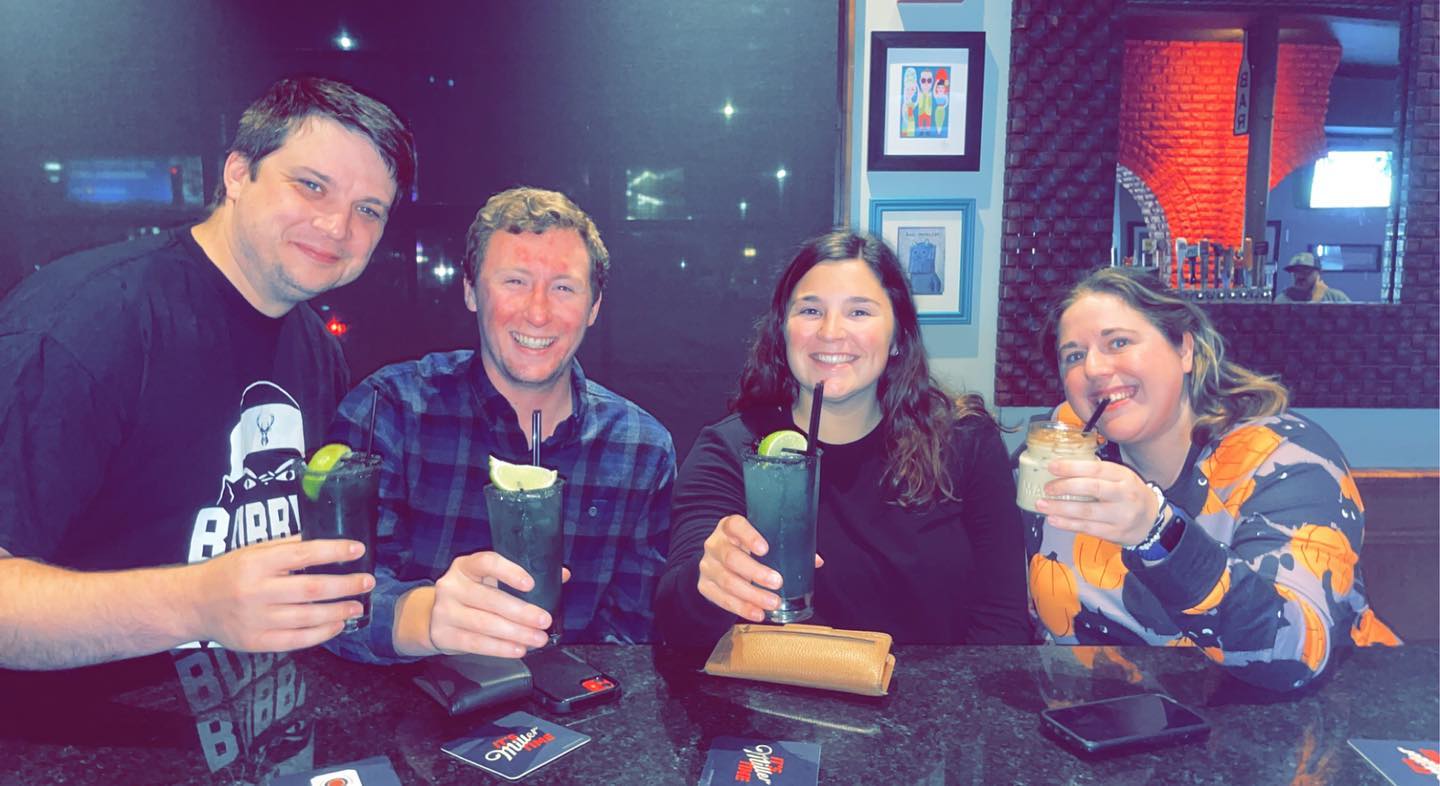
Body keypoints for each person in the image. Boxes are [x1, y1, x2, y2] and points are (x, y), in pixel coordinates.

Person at [0, 77, 417, 670]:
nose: (337, 226)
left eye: (368, 210)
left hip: (267, 714)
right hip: (90, 725)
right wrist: (195, 604)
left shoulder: (317, 349)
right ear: (238, 174)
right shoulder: (89, 319)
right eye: (311, 186)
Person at [323, 187, 675, 664]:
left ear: (593, 307)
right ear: (471, 291)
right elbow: (335, 599)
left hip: (576, 703)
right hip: (412, 701)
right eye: (514, 281)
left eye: (564, 288)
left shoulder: (641, 449)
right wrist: (424, 617)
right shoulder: (389, 409)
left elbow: (634, 638)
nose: (538, 312)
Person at [654, 231, 1031, 649]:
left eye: (859, 312)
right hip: (781, 687)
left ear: (898, 336)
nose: (831, 332)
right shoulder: (731, 452)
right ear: (782, 331)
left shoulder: (966, 442)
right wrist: (706, 581)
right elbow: (675, 624)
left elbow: (1004, 623)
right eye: (811, 310)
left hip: (941, 689)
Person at [1030, 268, 1397, 691]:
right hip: (1118, 720)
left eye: (1119, 342)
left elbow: (1295, 655)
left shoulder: (1286, 459)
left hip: (1321, 717)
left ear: (1184, 348)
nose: (1094, 368)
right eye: (1074, 355)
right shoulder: (1058, 451)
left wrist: (1158, 534)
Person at [1275, 251, 1350, 303]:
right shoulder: (1283, 299)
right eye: (1295, 271)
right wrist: (1316, 300)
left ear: (1318, 274)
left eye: (1306, 271)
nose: (1299, 276)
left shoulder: (1336, 298)